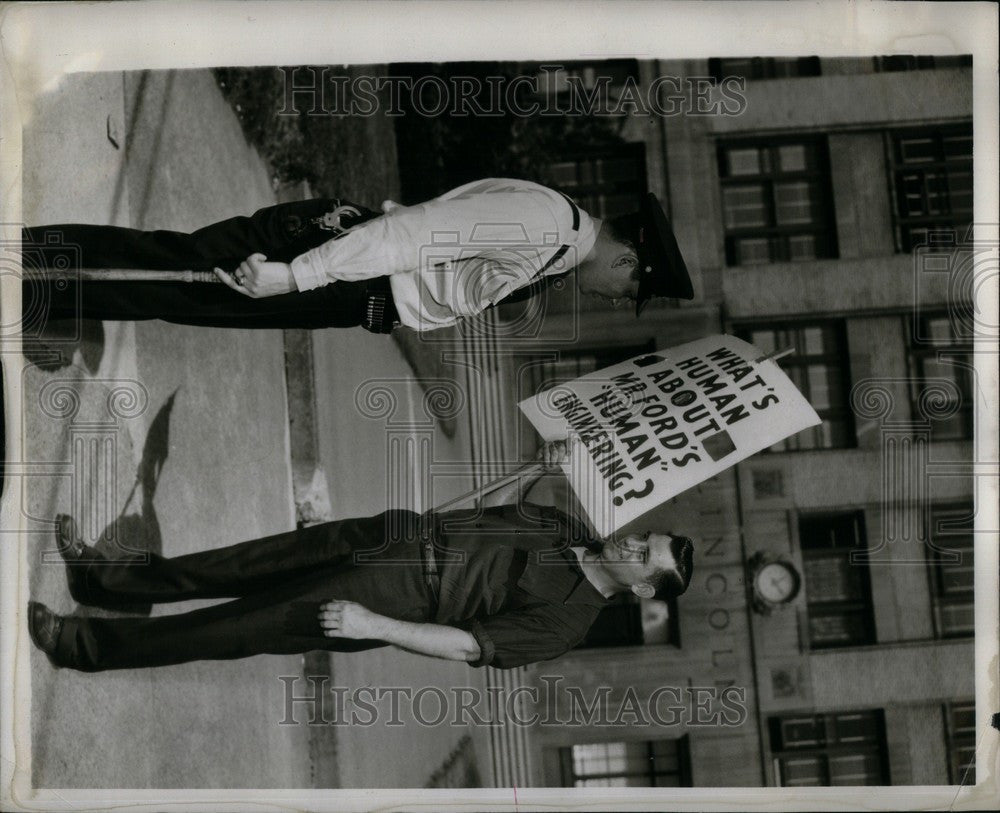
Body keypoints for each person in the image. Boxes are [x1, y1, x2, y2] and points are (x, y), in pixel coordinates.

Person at [27, 440, 695, 672]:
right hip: (391, 534)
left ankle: (82, 642)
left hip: (395, 599)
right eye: (644, 533)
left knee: (233, 626)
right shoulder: (565, 524)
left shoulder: (567, 622)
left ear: (642, 590)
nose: (633, 541)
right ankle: (103, 578)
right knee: (236, 562)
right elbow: (487, 509)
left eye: (645, 555)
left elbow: (469, 645)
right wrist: (530, 469)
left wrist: (375, 627)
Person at [21, 179, 694, 333]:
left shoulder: (556, 243)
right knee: (178, 273)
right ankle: (26, 267)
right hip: (342, 259)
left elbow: (450, 271)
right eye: (627, 289)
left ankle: (40, 287)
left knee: (184, 290)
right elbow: (411, 237)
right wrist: (295, 273)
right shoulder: (544, 222)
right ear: (630, 259)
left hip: (356, 288)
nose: (614, 298)